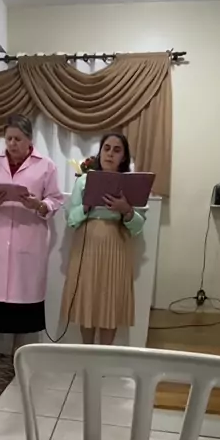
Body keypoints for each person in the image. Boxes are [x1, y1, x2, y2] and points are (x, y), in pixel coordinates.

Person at [0, 114, 64, 369]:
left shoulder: (46, 165)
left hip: (28, 240)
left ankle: (17, 351)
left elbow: (55, 199)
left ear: (29, 140)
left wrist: (38, 204)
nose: (12, 144)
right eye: (8, 139)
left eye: (17, 139)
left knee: (23, 299)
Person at [60, 133, 146, 345]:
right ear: (100, 152)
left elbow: (138, 226)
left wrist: (125, 209)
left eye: (117, 150)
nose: (110, 154)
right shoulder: (84, 181)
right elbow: (70, 219)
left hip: (116, 245)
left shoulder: (131, 184)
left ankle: (106, 354)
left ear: (124, 157)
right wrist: (87, 205)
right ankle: (87, 353)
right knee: (88, 298)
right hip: (86, 244)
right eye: (106, 148)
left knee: (111, 301)